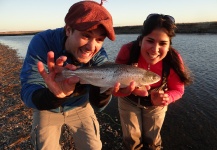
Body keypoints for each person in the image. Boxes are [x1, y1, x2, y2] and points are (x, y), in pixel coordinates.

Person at [19, 1, 131, 149]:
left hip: (80, 106)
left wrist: (107, 88)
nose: (92, 47)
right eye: (86, 35)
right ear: (68, 30)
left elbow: (98, 106)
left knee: (93, 147)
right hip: (47, 109)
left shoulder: (98, 56)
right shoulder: (43, 42)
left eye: (99, 39)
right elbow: (27, 91)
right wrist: (54, 96)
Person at [114, 14, 193, 150]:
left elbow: (178, 89)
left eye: (162, 43)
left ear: (169, 45)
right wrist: (122, 91)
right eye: (150, 41)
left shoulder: (173, 60)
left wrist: (166, 98)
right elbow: (115, 80)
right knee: (131, 138)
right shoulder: (128, 50)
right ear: (140, 41)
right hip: (128, 100)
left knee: (152, 139)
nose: (155, 49)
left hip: (156, 105)